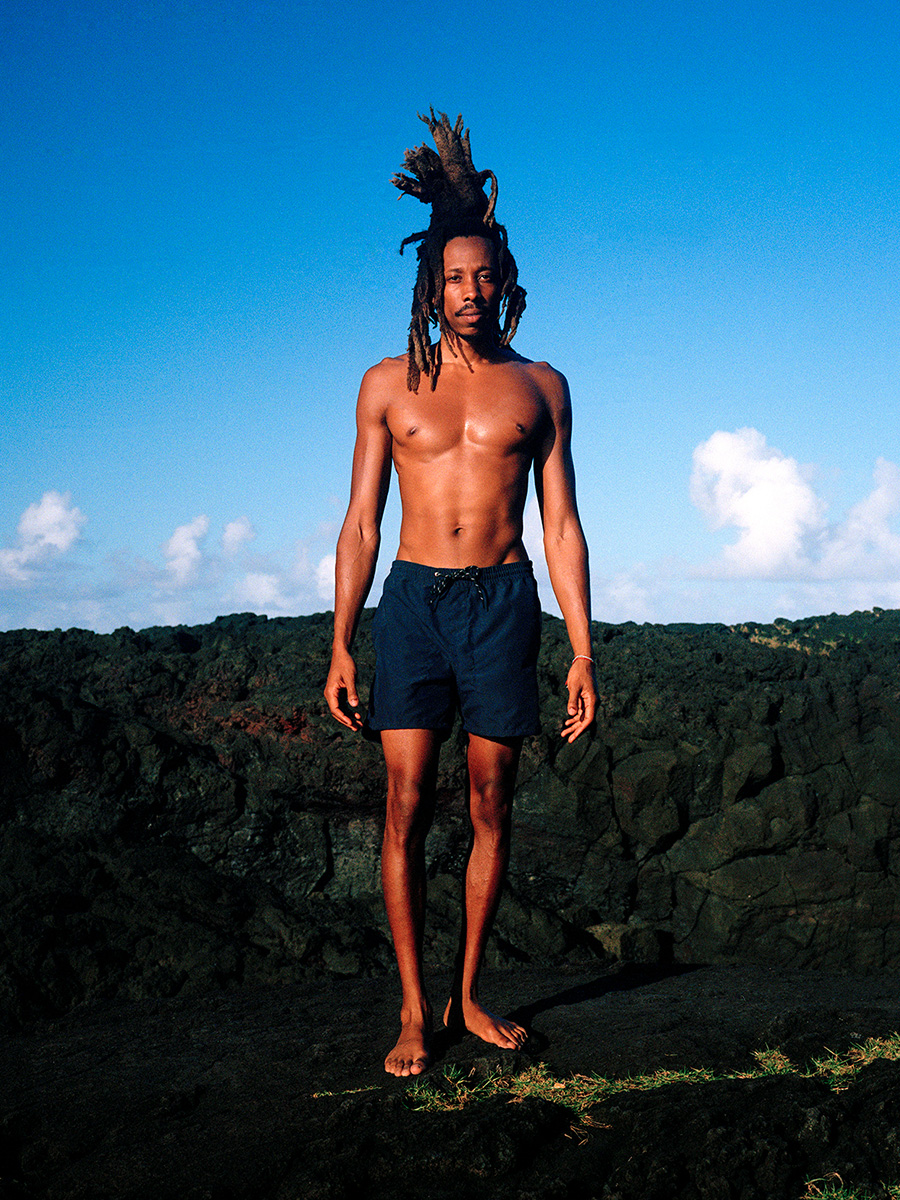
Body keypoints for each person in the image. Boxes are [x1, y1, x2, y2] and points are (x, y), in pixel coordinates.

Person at [324, 111, 597, 1077]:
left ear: (505, 281)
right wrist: (342, 641)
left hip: (505, 602)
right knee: (404, 804)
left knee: (492, 803)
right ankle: (410, 1008)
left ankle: (469, 993)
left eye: (485, 276)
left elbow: (561, 524)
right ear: (430, 287)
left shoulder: (544, 387)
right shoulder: (385, 385)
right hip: (411, 606)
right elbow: (360, 523)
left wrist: (584, 651)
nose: (472, 291)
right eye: (454, 278)